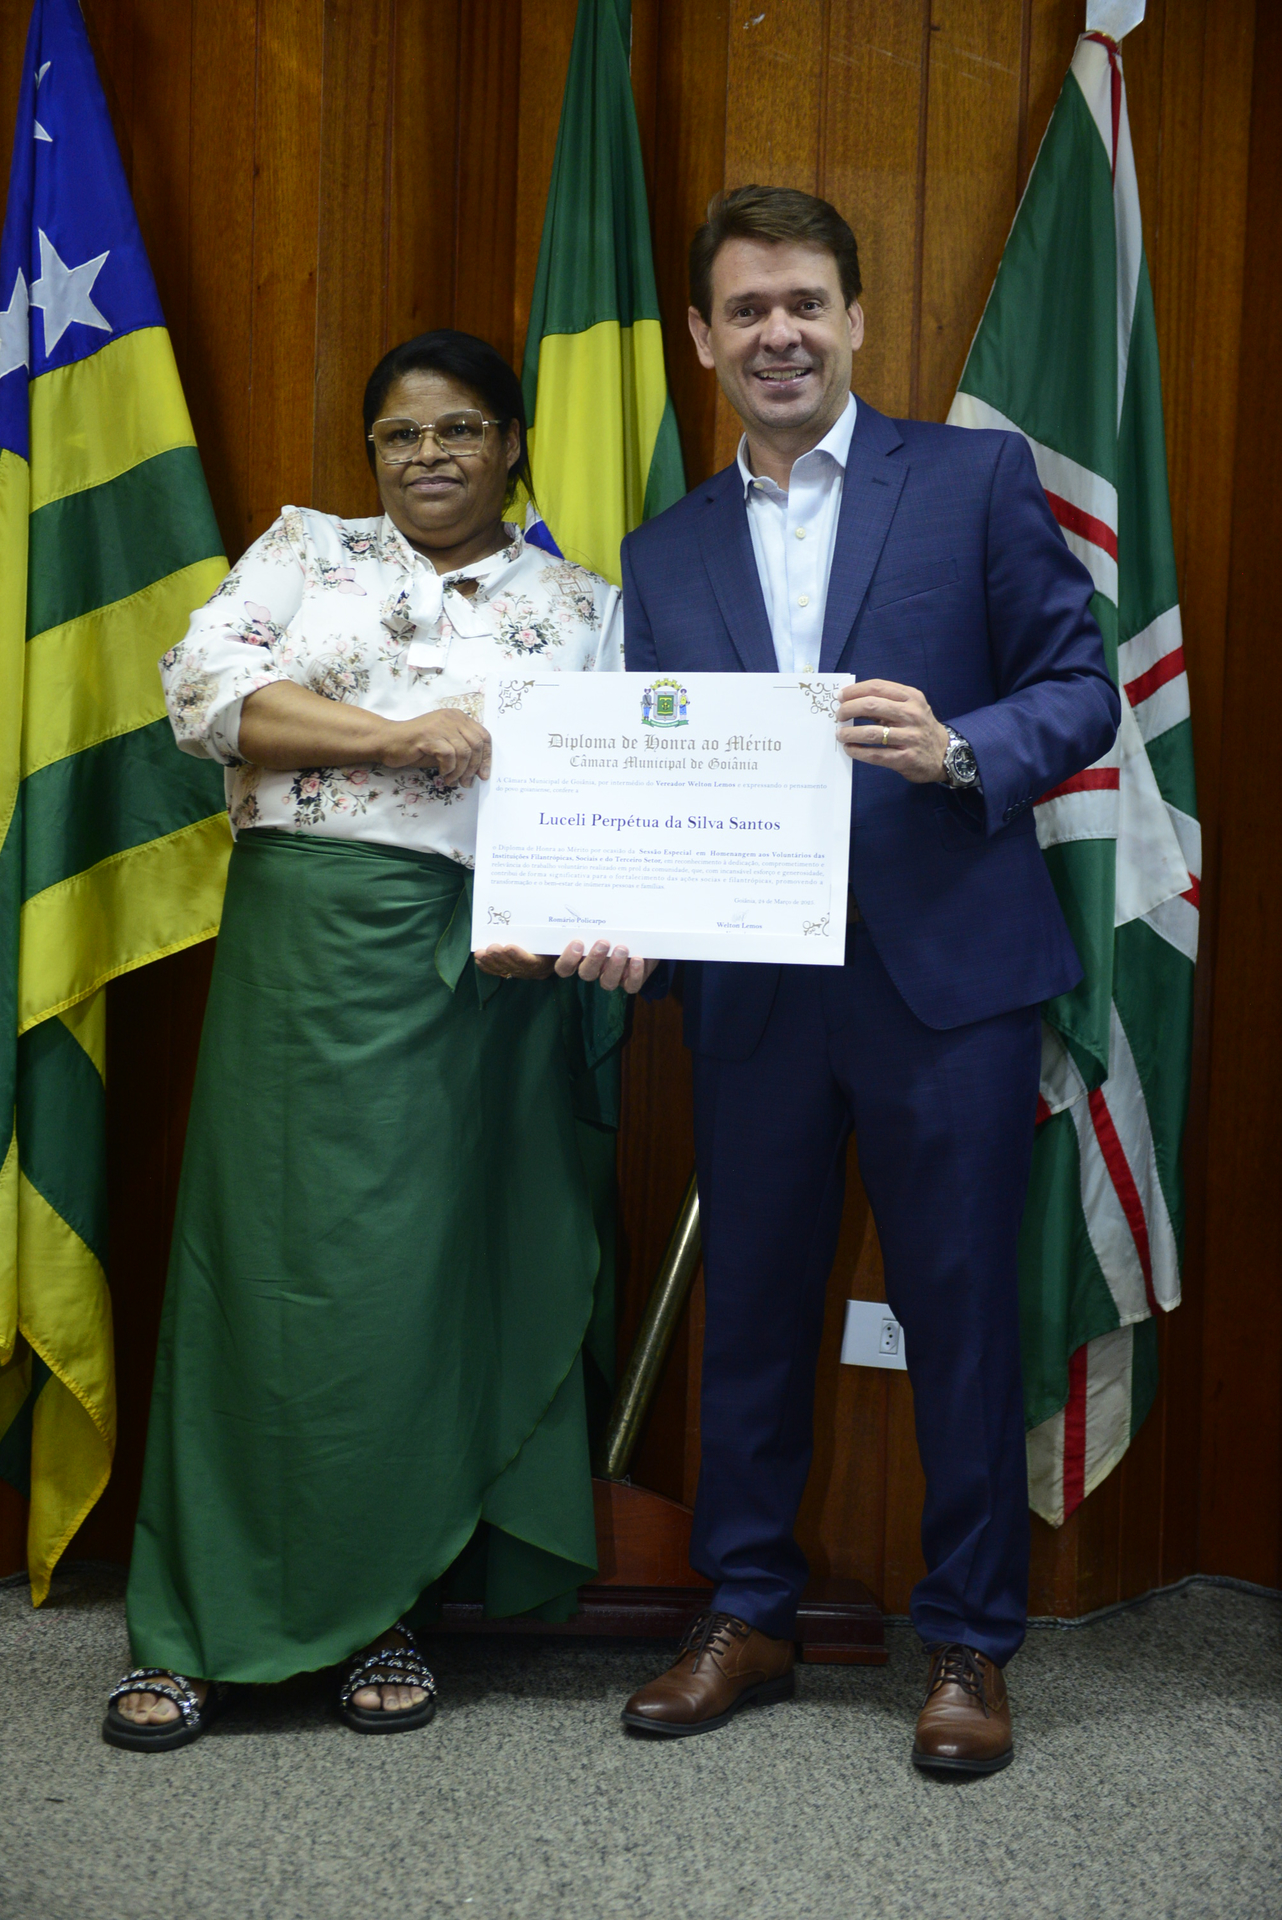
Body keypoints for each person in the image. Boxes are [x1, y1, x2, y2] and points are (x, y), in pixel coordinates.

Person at [563, 187, 1119, 1773]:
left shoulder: (970, 480)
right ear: (700, 338)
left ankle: (968, 1640)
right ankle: (745, 1611)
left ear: (857, 319)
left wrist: (957, 749)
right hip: (754, 993)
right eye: (745, 309)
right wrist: (625, 920)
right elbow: (652, 784)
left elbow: (1079, 683)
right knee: (749, 1314)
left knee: (957, 1315)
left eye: (804, 301)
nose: (779, 333)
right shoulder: (662, 549)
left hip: (947, 983)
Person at [103, 329, 624, 1750]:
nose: (429, 455)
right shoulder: (305, 553)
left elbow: (611, 797)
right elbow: (202, 694)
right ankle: (193, 1623)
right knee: (266, 1279)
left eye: (459, 429)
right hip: (305, 960)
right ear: (373, 452)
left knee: (420, 1287)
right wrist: (396, 739)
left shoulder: (583, 605)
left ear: (510, 443)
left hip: (491, 981)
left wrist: (587, 921)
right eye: (401, 433)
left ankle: (387, 1606)